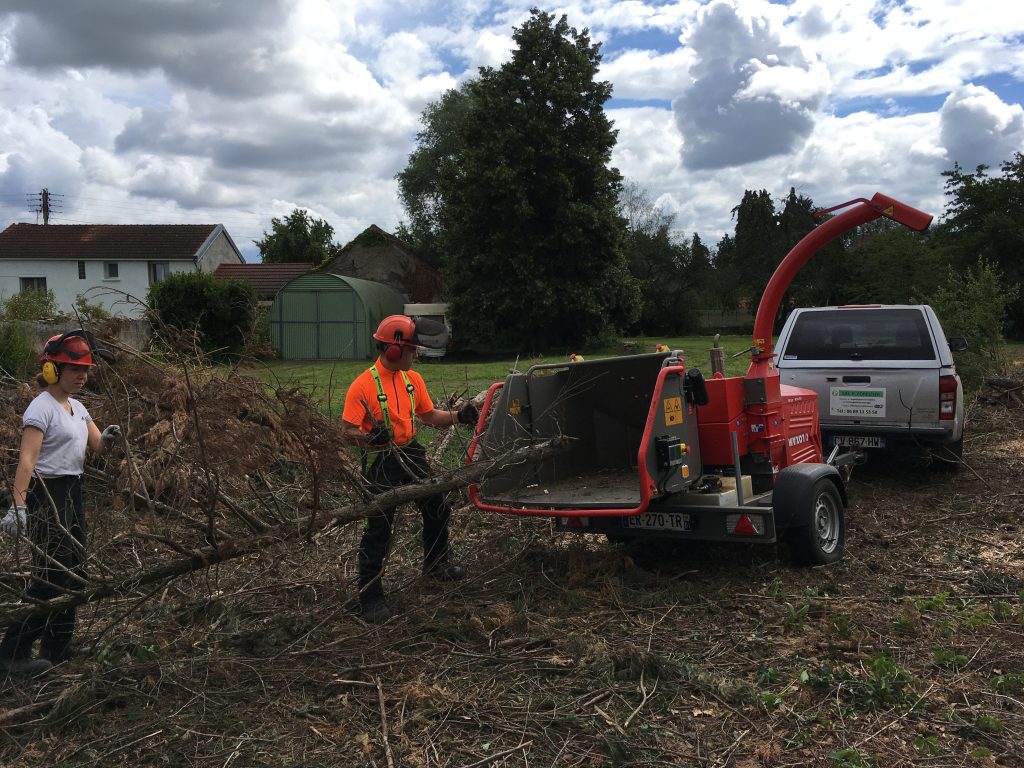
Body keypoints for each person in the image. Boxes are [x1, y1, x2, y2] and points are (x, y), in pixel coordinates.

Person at [342, 315, 479, 623]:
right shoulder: (362, 386)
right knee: (378, 529)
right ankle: (371, 597)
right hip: (381, 460)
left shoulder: (411, 379)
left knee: (438, 507)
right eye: (411, 350)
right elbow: (345, 431)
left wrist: (459, 416)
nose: (416, 355)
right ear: (393, 349)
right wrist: (367, 438)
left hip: (411, 452)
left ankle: (436, 565)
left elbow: (429, 416)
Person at [0, 330, 120, 678]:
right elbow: (26, 460)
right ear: (52, 369)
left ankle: (57, 645)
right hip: (45, 495)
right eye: (73, 369)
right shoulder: (41, 408)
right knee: (52, 576)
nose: (81, 376)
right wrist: (18, 506)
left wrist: (109, 440)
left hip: (71, 491)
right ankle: (12, 653)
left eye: (85, 371)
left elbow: (97, 447)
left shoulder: (78, 407)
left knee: (76, 573)